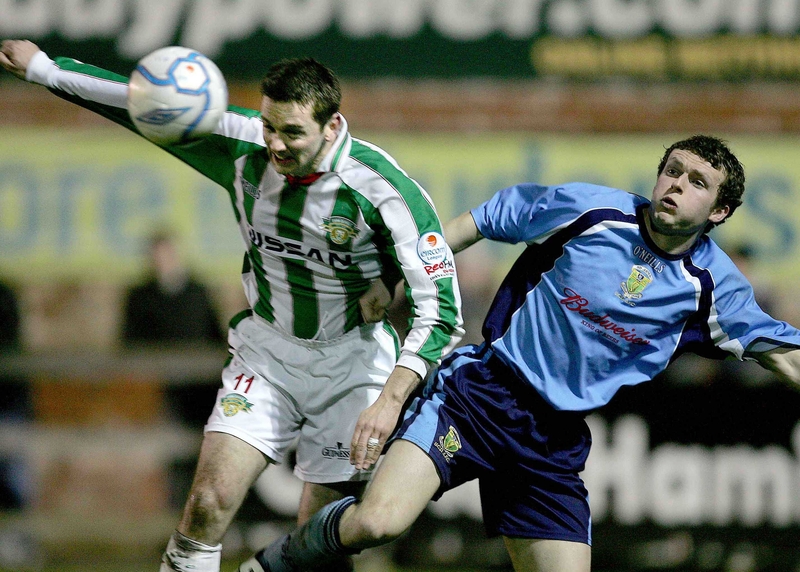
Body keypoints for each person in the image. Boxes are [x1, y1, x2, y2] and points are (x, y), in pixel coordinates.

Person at [0, 40, 463, 572]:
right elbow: (139, 102)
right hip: (266, 354)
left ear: (332, 125)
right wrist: (43, 70)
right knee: (206, 504)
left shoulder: (386, 192)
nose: (277, 145)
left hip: (353, 367)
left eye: (293, 132)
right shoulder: (242, 145)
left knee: (318, 541)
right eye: (270, 126)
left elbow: (442, 310)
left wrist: (388, 398)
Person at [243, 135, 800, 572]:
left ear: (720, 211)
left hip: (553, 439)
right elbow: (482, 220)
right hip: (482, 397)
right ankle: (277, 562)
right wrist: (397, 281)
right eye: (672, 170)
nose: (676, 184)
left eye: (697, 181)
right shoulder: (593, 211)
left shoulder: (713, 288)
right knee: (378, 524)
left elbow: (784, 354)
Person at [122, 229, 226, 428]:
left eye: (167, 254)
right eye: (158, 255)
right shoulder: (140, 296)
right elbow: (130, 341)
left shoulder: (198, 293)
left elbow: (216, 336)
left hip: (201, 384)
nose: (163, 261)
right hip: (158, 384)